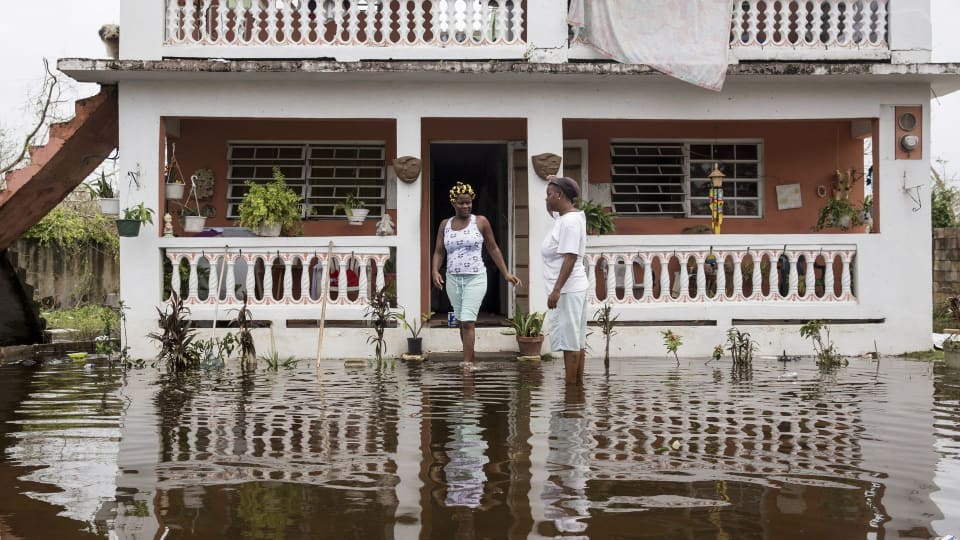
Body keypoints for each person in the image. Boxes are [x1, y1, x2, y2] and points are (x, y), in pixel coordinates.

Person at [433, 182, 522, 370]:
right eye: (461, 203)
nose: (466, 206)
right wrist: (434, 271)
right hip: (453, 279)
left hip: (476, 277)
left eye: (469, 202)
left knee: (467, 320)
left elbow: (493, 248)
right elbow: (439, 252)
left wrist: (506, 273)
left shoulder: (480, 222)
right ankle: (471, 358)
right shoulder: (445, 225)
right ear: (453, 203)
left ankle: (467, 365)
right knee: (461, 321)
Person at [541, 176, 588, 385]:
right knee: (576, 342)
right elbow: (552, 212)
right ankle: (577, 391)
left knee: (571, 344)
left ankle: (570, 393)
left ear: (560, 195)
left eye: (549, 195)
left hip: (567, 290)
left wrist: (556, 290)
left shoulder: (569, 223)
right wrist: (556, 181)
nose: (546, 199)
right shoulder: (566, 217)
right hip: (574, 288)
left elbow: (570, 257)